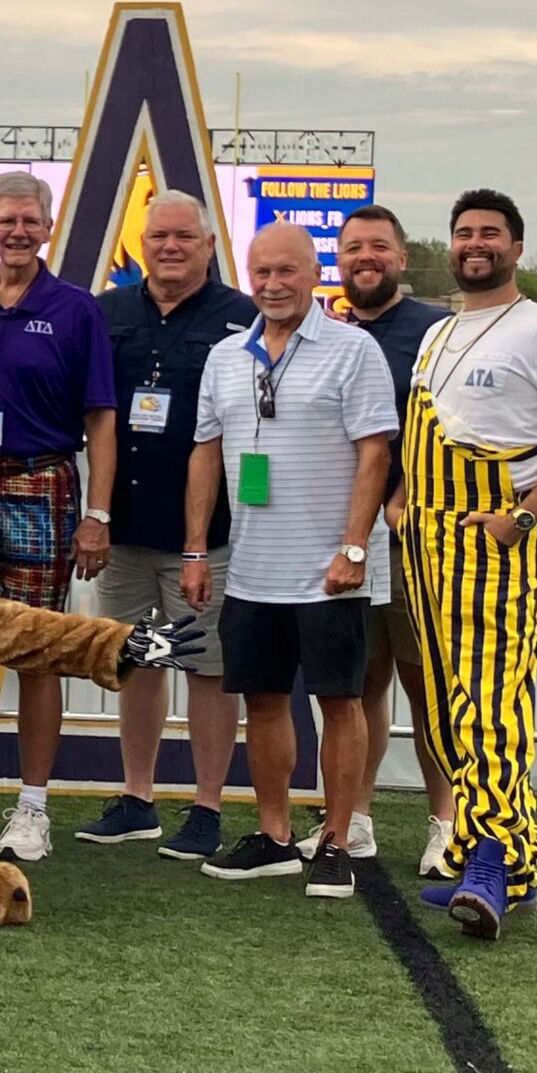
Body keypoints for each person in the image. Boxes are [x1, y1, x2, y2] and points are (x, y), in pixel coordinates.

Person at [406, 190, 537, 939]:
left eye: (490, 232)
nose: (475, 243)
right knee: (451, 706)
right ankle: (504, 864)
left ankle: (490, 860)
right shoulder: (439, 332)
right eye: (464, 232)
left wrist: (521, 519)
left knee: (490, 701)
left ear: (517, 247)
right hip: (428, 541)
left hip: (493, 539)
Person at [183, 223, 396, 899]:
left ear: (313, 274)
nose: (273, 285)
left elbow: (375, 452)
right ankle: (275, 836)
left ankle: (335, 840)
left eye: (287, 271)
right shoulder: (226, 355)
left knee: (340, 701)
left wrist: (354, 546)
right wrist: (196, 548)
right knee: (264, 700)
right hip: (252, 569)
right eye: (262, 272)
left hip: (331, 570)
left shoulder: (352, 349)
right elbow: (205, 452)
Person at [0, 172, 116, 863]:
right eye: (6, 219)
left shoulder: (75, 308)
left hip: (41, 479)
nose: (17, 231)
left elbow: (100, 417)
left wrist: (97, 513)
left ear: (47, 228)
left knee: (36, 646)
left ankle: (34, 805)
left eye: (29, 221)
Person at [80, 189, 257, 861]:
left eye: (185, 236)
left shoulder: (241, 317)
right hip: (126, 532)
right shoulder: (109, 312)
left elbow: (258, 425)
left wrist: (253, 510)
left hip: (206, 540)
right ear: (143, 243)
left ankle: (207, 807)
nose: (171, 247)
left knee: (208, 669)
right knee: (142, 661)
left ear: (209, 245)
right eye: (159, 236)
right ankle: (138, 798)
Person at [296, 204, 454, 874]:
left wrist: (406, 494)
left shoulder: (435, 331)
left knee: (426, 684)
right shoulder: (325, 332)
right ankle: (354, 817)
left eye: (379, 246)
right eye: (354, 246)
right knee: (359, 683)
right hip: (345, 538)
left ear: (402, 257)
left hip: (410, 538)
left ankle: (447, 823)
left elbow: (449, 427)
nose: (366, 257)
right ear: (338, 259)